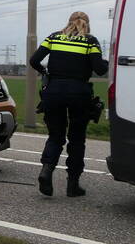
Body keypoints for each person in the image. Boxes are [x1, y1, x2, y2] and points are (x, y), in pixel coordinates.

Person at [29, 11, 108, 198]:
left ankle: (46, 172)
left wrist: (45, 72)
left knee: (55, 136)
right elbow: (99, 69)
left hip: (53, 92)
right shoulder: (90, 41)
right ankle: (73, 185)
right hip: (79, 94)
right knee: (77, 139)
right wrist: (106, 62)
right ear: (87, 24)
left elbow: (34, 60)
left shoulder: (54, 37)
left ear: (69, 22)